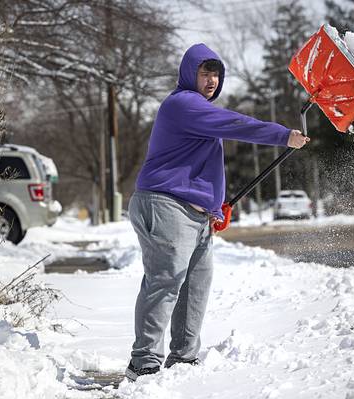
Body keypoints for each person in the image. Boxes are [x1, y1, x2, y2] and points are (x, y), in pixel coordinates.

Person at [126, 43, 309, 381]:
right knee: (166, 281)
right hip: (165, 204)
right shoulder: (183, 104)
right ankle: (143, 361)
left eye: (216, 74)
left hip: (192, 214)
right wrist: (282, 135)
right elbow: (234, 123)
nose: (211, 80)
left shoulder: (197, 112)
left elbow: (197, 167)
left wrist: (213, 205)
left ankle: (182, 357)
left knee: (196, 284)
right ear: (189, 73)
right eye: (205, 72)